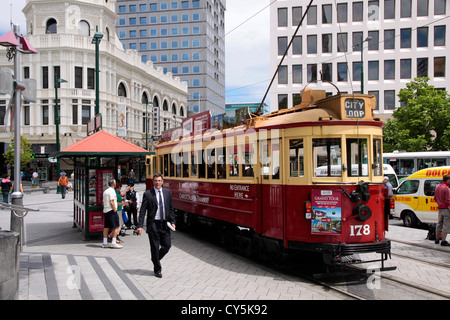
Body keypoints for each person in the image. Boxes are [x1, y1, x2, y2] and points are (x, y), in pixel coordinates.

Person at [137, 173, 176, 278]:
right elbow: (142, 211)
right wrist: (140, 225)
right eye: (155, 181)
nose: (157, 182)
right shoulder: (148, 194)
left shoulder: (167, 193)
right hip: (153, 224)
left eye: (159, 180)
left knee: (167, 246)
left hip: (164, 224)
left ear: (163, 182)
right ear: (153, 182)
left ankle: (155, 258)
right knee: (154, 247)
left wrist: (173, 221)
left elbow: (171, 208)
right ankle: (157, 269)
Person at [102, 178, 122, 249]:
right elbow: (112, 201)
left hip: (106, 210)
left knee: (106, 227)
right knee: (117, 226)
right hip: (111, 211)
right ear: (114, 184)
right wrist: (114, 210)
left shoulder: (105, 191)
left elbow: (103, 202)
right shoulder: (112, 191)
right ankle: (113, 242)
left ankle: (105, 242)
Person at [434, 174, 450, 246]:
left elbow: (435, 197)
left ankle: (437, 239)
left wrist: (439, 203)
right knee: (446, 225)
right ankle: (443, 241)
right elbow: (448, 201)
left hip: (440, 208)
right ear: (448, 180)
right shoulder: (446, 188)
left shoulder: (437, 187)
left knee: (439, 223)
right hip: (446, 209)